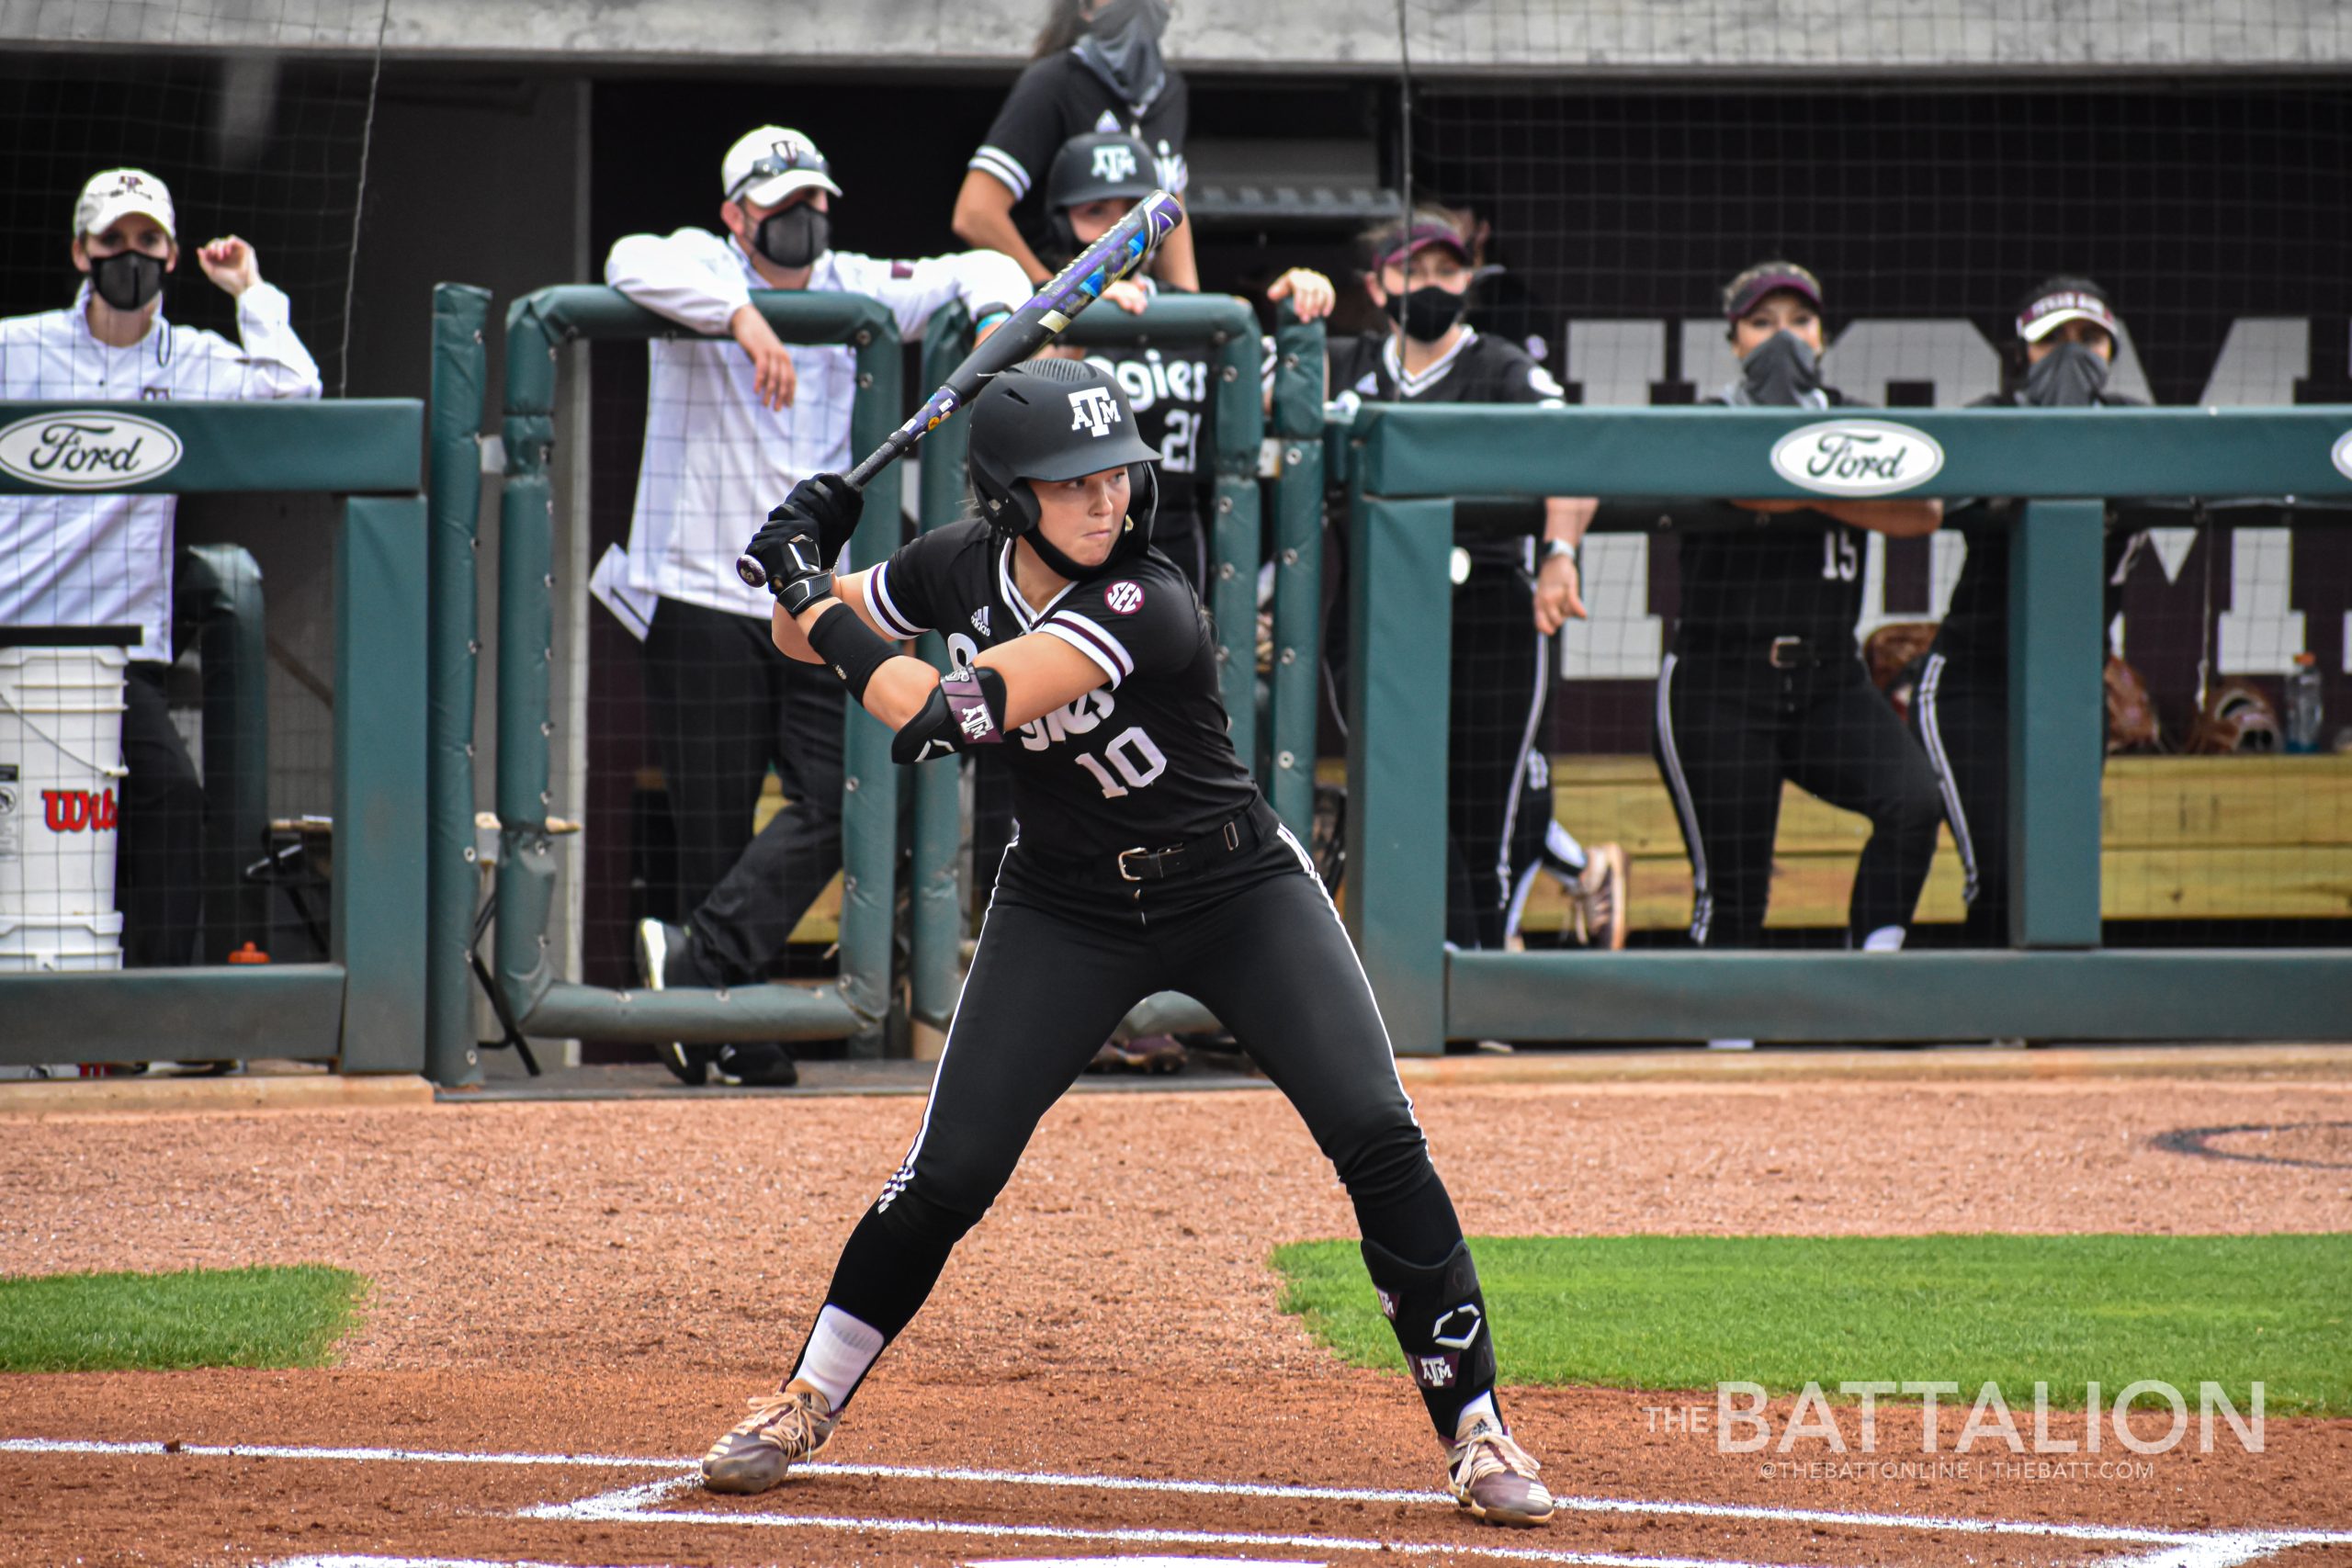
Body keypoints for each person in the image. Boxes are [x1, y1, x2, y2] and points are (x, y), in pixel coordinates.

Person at [704, 358, 1555, 1528]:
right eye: (1072, 484)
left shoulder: (1147, 596)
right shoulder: (958, 561)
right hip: (1064, 905)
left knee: (1375, 1132)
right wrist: (804, 566)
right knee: (945, 1173)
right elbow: (793, 642)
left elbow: (951, 714)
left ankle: (1476, 1428)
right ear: (1011, 498)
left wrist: (811, 590)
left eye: (1117, 476)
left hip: (1235, 889)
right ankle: (804, 1398)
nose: (1106, 501)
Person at [607, 126, 1027, 1087]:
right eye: (780, 202)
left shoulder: (855, 279)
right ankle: (722, 1016)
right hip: (698, 585)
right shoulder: (698, 260)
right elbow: (627, 261)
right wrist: (742, 317)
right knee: (711, 823)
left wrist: (1005, 315)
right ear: (737, 213)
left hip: (813, 593)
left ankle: (704, 971)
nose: (802, 218)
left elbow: (977, 271)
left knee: (843, 795)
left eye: (813, 199)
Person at [1016, 130, 1338, 1070]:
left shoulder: (1208, 321)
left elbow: (1291, 404)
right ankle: (1097, 1007)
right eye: (1091, 213)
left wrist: (1299, 307)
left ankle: (1238, 993)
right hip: (1074, 592)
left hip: (1190, 579)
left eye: (1128, 213)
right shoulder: (1040, 323)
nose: (1112, 228)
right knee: (1076, 779)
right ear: (1061, 224)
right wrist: (1071, 325)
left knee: (1206, 784)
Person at [0, 167, 321, 969]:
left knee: (173, 801)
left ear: (174, 256)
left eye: (147, 242)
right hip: (10, 640)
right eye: (113, 240)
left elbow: (297, 389)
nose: (129, 256)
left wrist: (249, 290)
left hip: (117, 658)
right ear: (81, 252)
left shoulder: (196, 359)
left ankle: (152, 1023)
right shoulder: (18, 346)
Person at [1326, 208, 1628, 959]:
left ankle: (1480, 982)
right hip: (1377, 612)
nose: (1430, 284)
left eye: (1446, 270)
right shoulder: (1344, 359)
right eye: (1412, 270)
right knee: (1399, 803)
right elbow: (1251, 404)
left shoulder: (1498, 364)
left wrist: (1559, 553)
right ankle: (1425, 981)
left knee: (1484, 809)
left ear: (1470, 279)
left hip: (1488, 607)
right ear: (1377, 281)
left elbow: (1573, 451)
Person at [1653, 261, 1944, 976]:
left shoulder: (1854, 418)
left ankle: (1872, 983)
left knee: (1913, 802)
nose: (1783, 337)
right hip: (1722, 683)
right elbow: (1747, 489)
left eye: (1799, 322)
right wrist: (1839, 483)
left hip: (1827, 682)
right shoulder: (1712, 418)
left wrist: (1802, 482)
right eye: (1762, 323)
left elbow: (1923, 511)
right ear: (1733, 340)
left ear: (1823, 334)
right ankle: (1721, 1050)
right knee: (1735, 894)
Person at [1912, 276, 2145, 945]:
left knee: (2059, 870)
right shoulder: (1988, 421)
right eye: (2053, 341)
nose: (2072, 355)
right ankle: (1992, 1021)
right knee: (1998, 862)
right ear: (2024, 354)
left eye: (2089, 340)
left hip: (2072, 686)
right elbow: (1929, 500)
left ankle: (2050, 1027)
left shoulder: (2142, 432)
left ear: (2111, 351)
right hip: (1972, 679)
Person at [953, 0, 1200, 293]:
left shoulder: (1169, 91)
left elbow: (1171, 207)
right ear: (1085, 7)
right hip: (1059, 315)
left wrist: (1192, 311)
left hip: (1138, 306)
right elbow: (975, 214)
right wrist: (1063, 298)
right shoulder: (1054, 82)